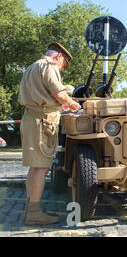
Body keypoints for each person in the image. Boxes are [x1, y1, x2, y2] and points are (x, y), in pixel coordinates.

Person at [18, 42, 81, 225]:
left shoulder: (32, 66)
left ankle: (32, 208)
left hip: (33, 119)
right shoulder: (49, 66)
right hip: (42, 122)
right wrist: (73, 104)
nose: (61, 68)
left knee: (34, 167)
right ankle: (34, 213)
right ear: (58, 57)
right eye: (63, 65)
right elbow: (60, 94)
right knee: (40, 168)